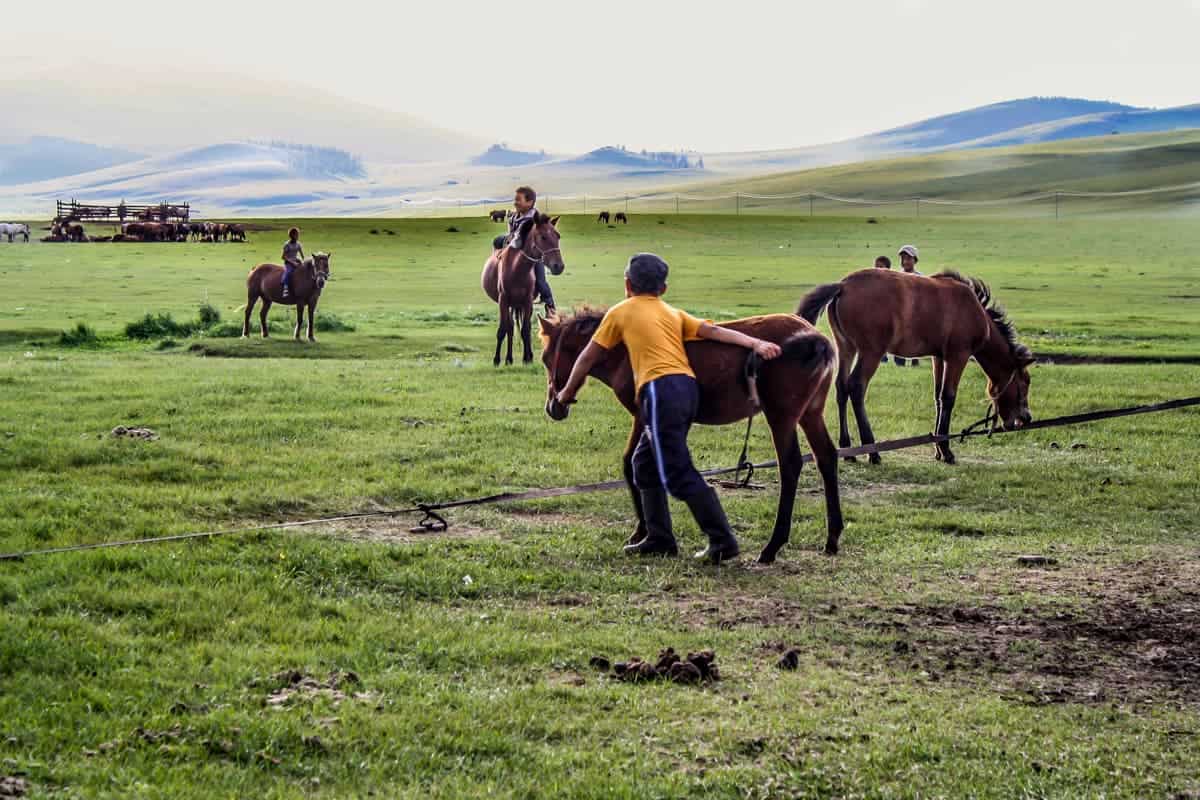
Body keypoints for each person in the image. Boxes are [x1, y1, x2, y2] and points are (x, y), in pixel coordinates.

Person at [553, 253, 781, 563]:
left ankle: (722, 539)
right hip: (685, 389)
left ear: (627, 285)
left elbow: (587, 358)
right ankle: (659, 538)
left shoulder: (620, 312)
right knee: (643, 463)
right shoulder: (673, 313)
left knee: (676, 472)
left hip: (661, 390)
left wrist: (565, 394)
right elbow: (715, 332)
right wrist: (754, 343)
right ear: (664, 289)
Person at [493, 186, 556, 314]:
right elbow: (512, 233)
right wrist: (508, 234)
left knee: (540, 281)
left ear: (530, 202)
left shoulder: (534, 219)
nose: (515, 202)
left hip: (530, 253)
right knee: (497, 241)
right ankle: (496, 269)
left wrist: (506, 248)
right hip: (515, 245)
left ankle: (550, 305)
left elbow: (518, 239)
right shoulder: (516, 215)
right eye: (515, 199)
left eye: (518, 200)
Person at [894, 245, 921, 366]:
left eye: (908, 258)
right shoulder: (896, 277)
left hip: (916, 313)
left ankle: (915, 360)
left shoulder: (921, 278)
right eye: (903, 258)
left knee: (916, 337)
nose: (905, 261)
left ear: (915, 260)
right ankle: (899, 361)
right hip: (900, 314)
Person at [281, 227, 304, 299]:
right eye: (296, 235)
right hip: (288, 262)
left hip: (296, 260)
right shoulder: (287, 245)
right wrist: (292, 263)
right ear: (292, 235)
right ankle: (285, 288)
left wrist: (303, 261)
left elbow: (302, 254)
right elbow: (283, 257)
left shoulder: (298, 244)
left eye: (298, 235)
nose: (298, 236)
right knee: (288, 272)